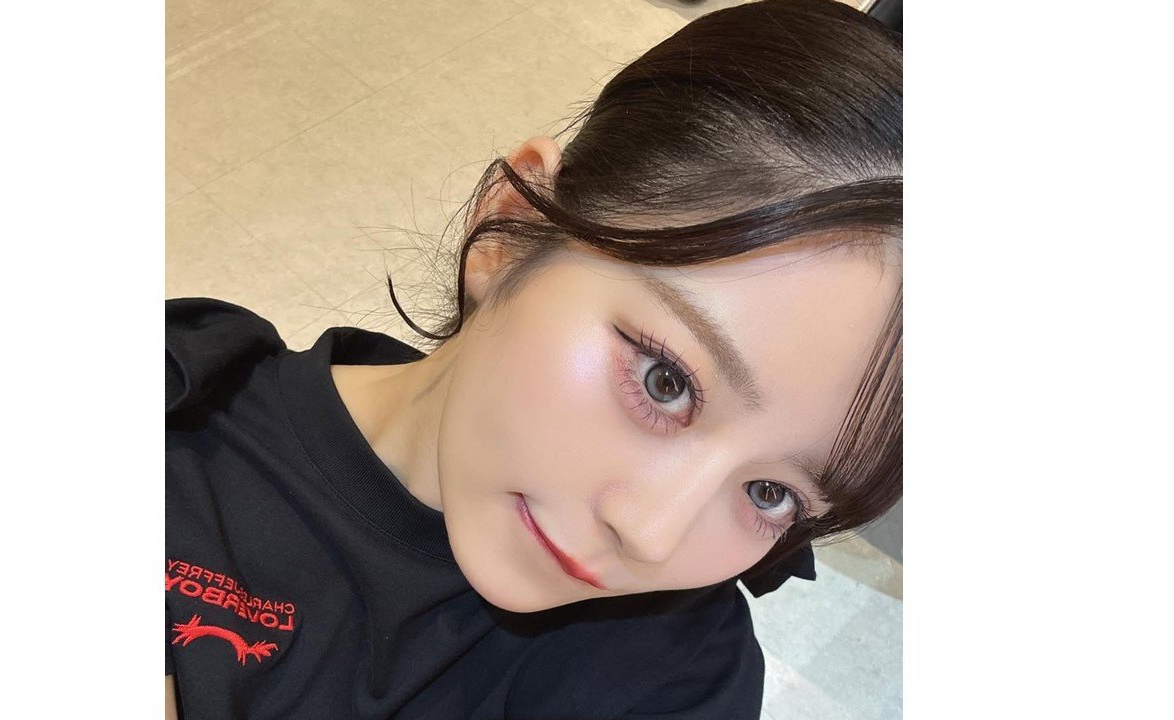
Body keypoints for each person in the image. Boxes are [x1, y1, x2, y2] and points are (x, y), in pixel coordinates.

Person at [164, 0, 902, 717]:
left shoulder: (681, 679)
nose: (651, 535)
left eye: (771, 494)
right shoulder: (176, 407)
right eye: (665, 382)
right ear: (510, 227)